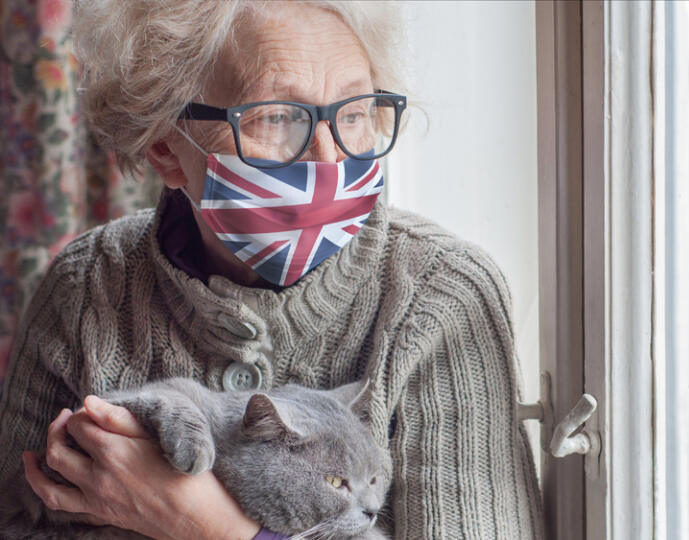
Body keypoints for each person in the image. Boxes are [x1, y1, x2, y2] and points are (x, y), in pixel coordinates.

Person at [0, 1, 545, 538]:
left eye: (353, 113)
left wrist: (209, 526)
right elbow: (17, 516)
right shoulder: (86, 283)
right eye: (278, 117)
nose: (330, 158)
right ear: (167, 147)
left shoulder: (444, 294)